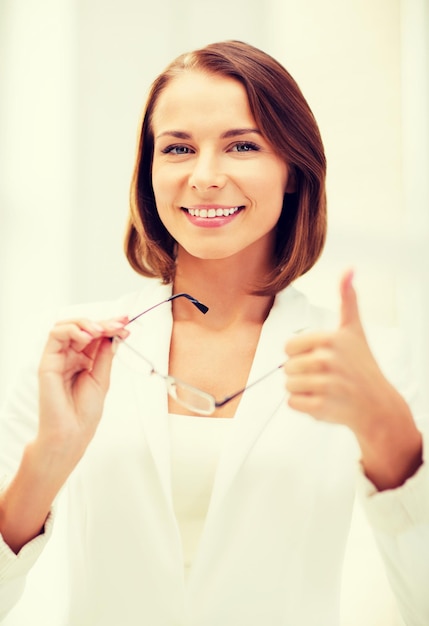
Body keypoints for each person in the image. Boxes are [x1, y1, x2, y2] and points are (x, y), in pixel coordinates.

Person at [0, 40, 427, 626]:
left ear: (294, 172)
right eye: (178, 148)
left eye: (242, 146)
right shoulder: (68, 354)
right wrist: (49, 459)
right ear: (150, 172)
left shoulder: (371, 362)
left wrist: (392, 438)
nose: (204, 177)